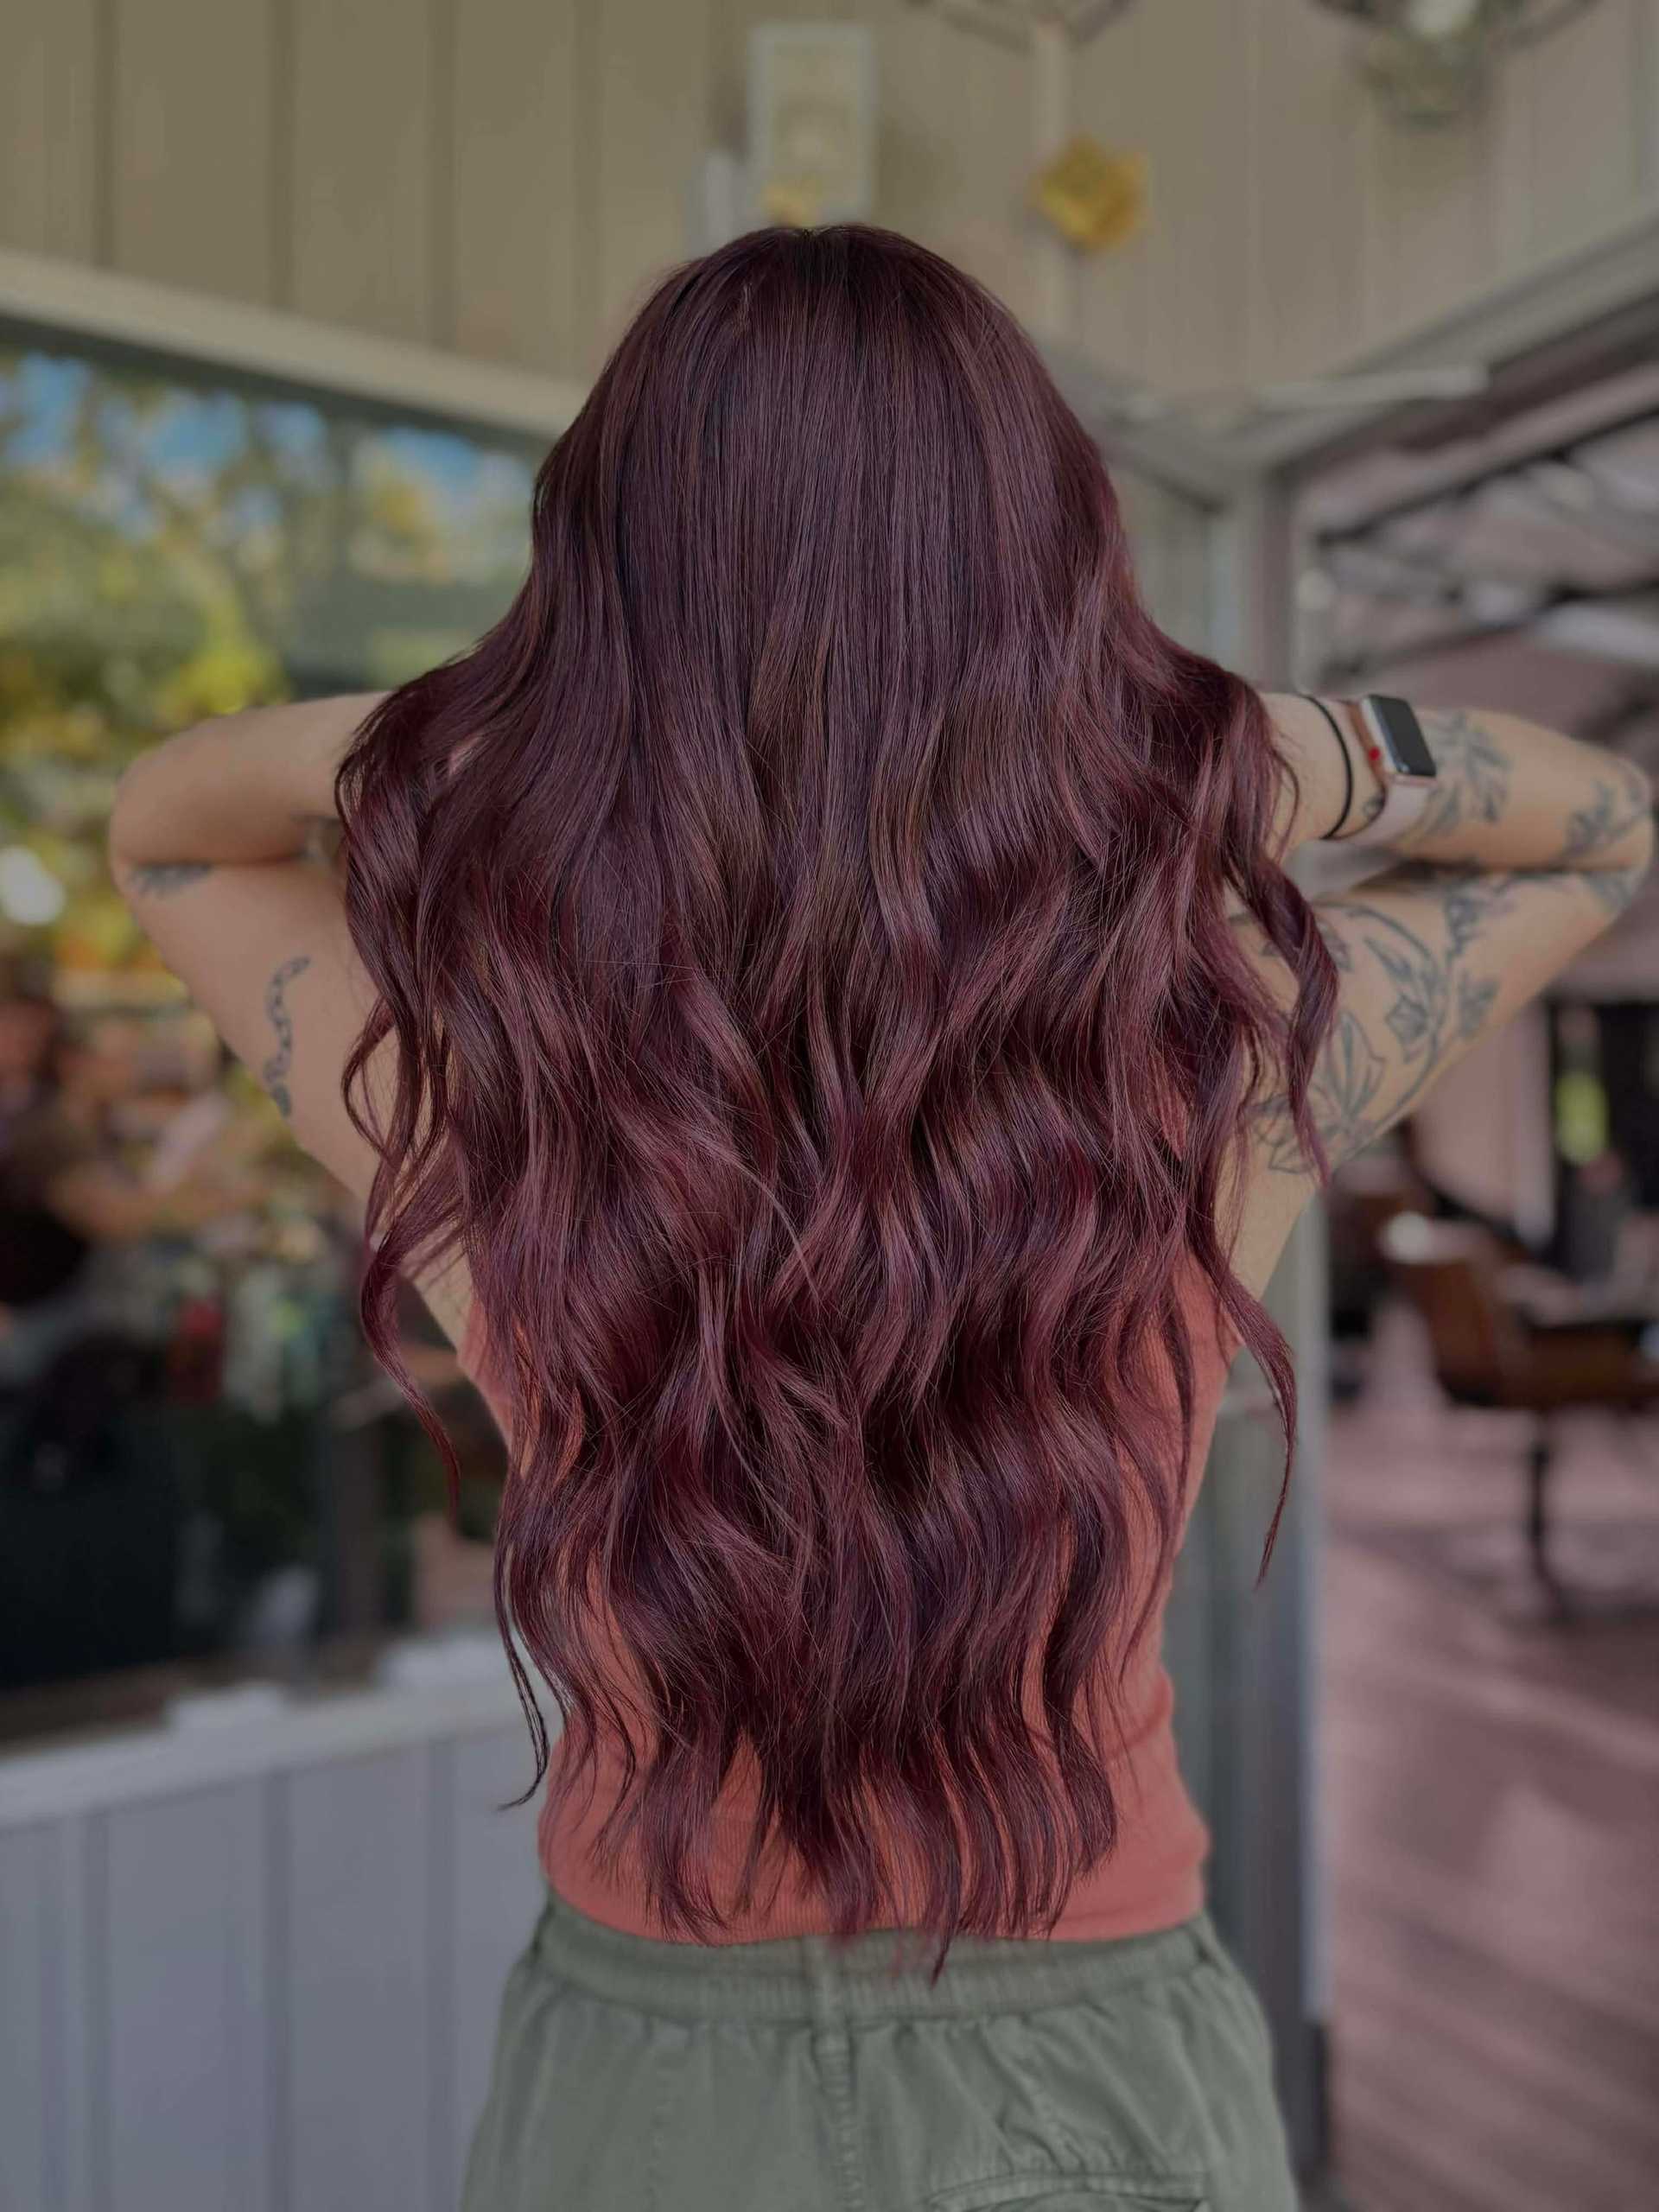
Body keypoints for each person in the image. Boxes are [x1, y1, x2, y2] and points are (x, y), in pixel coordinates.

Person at [107, 226, 1654, 2212]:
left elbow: (166, 826)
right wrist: (1241, 747)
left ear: (599, 596)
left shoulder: (486, 1096)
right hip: (1086, 2064)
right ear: (1051, 588)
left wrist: (495, 738)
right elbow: (1602, 821)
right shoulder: (1215, 1063)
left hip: (646, 2075)